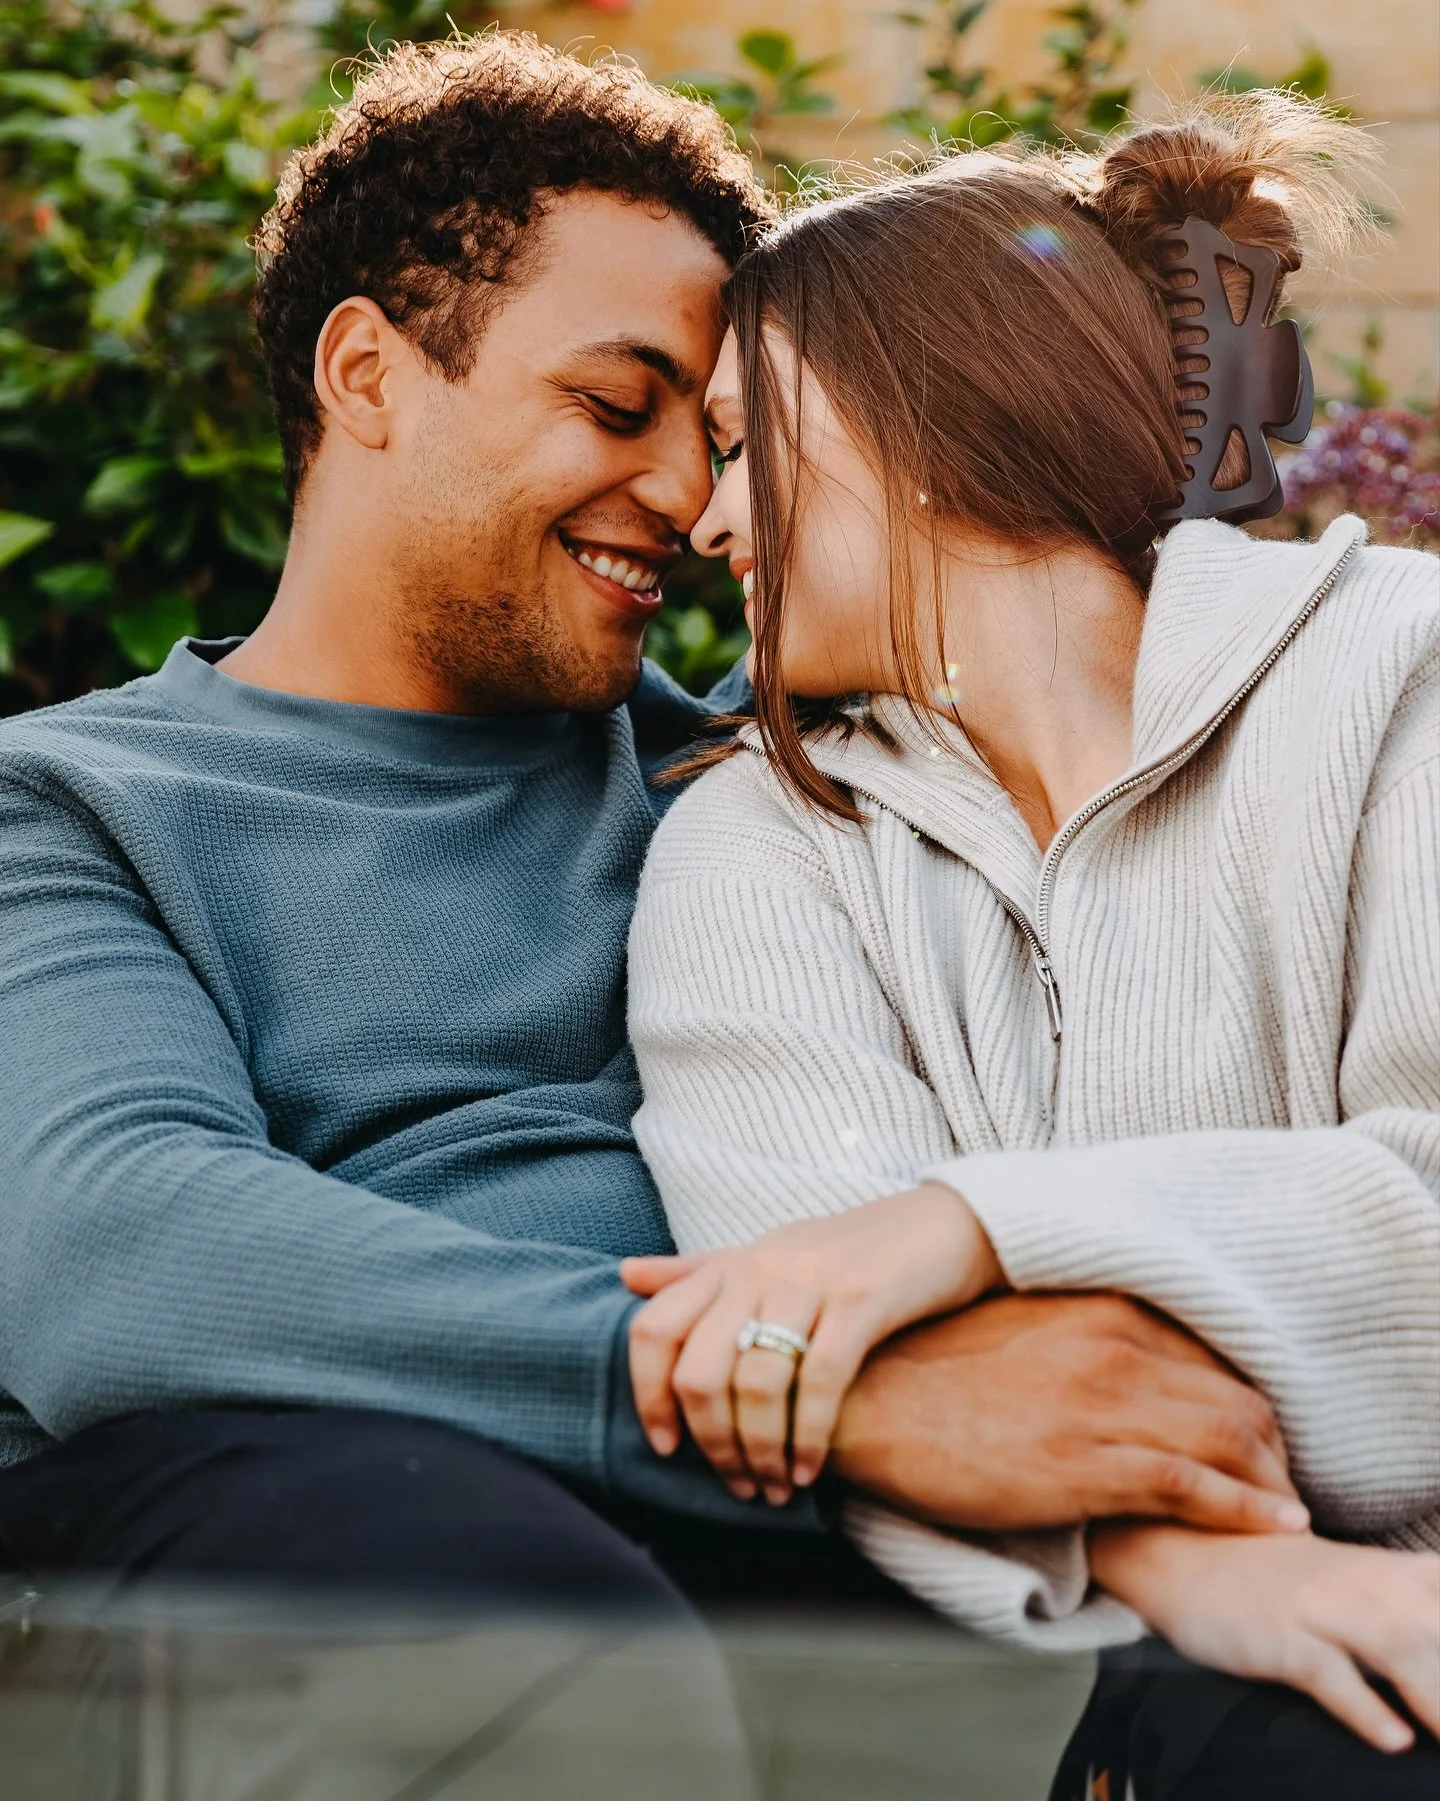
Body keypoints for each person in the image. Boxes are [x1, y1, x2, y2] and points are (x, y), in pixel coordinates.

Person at [0, 33, 1298, 1633]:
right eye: (618, 404)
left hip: (818, 1540)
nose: (691, 495)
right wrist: (809, 1392)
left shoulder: (774, 773)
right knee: (495, 1593)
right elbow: (115, 1247)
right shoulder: (65, 806)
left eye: (729, 436)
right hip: (302, 1527)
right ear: (367, 375)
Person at [622, 92, 1440, 1792]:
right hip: (1158, 1695)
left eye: (743, 441)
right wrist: (1195, 1567)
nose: (707, 520)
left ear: (919, 409)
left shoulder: (1400, 674)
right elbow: (807, 1346)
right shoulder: (754, 845)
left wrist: (964, 1227)